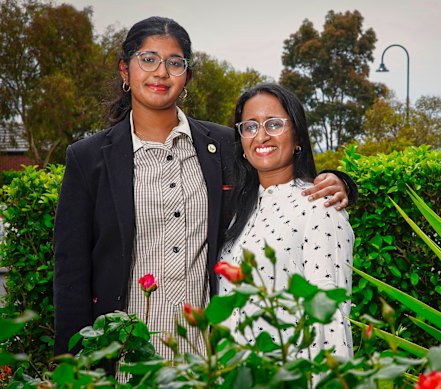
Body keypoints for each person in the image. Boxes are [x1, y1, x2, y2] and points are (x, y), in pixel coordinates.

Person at [52, 16, 356, 360]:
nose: (161, 72)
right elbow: (71, 274)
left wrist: (339, 182)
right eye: (148, 59)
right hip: (123, 356)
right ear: (125, 70)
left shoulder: (224, 146)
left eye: (174, 62)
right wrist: (73, 365)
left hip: (208, 358)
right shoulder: (88, 159)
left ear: (188, 75)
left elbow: (277, 176)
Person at [218, 83, 354, 360]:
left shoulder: (320, 207)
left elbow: (329, 319)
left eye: (275, 124)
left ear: (298, 137)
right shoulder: (237, 211)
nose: (262, 136)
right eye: (250, 126)